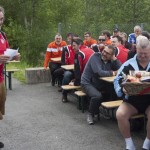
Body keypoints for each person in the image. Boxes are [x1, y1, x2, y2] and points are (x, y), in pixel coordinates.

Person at [114, 35, 150, 150]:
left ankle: (147, 142)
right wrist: (122, 89)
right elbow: (117, 80)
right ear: (136, 50)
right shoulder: (128, 64)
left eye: (146, 53)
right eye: (140, 53)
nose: (143, 56)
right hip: (132, 101)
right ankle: (129, 144)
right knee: (120, 114)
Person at [81, 45, 121, 125]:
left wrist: (115, 59)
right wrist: (114, 72)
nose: (104, 53)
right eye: (104, 51)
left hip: (100, 83)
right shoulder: (95, 57)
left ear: (112, 56)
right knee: (97, 96)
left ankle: (109, 111)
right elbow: (99, 73)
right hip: (87, 82)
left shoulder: (111, 61)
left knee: (117, 90)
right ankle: (90, 114)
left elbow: (122, 69)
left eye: (108, 53)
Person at [0, 6, 20, 148]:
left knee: (1, 108)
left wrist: (14, 56)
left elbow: (6, 53)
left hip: (0, 78)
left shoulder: (3, 35)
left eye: (1, 19)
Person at [62, 38, 94, 102]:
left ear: (79, 45)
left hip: (85, 78)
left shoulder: (79, 54)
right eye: (72, 46)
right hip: (93, 77)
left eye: (74, 46)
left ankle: (64, 94)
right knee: (68, 74)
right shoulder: (91, 50)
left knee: (67, 75)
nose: (73, 48)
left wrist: (76, 83)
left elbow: (78, 71)